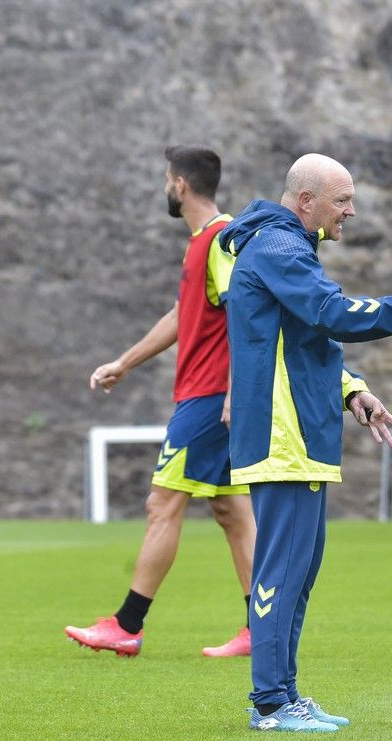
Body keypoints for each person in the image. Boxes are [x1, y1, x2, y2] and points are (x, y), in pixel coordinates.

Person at [220, 153, 392, 733]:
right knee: (281, 572)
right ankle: (270, 704)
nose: (351, 211)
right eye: (342, 200)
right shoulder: (279, 248)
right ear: (305, 200)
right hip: (283, 437)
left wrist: (349, 390)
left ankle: (285, 694)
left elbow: (298, 341)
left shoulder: (284, 248)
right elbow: (334, 314)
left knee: (300, 571)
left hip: (301, 431)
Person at [65, 145, 256, 658]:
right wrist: (124, 363)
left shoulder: (221, 240)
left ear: (181, 185)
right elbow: (182, 314)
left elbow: (247, 313)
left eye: (167, 179)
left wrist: (237, 391)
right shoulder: (204, 243)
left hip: (210, 397)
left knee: (162, 504)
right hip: (211, 393)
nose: (166, 186)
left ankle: (127, 624)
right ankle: (264, 627)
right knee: (232, 511)